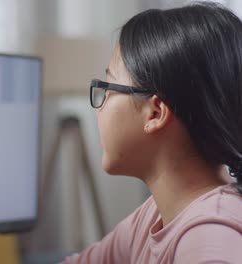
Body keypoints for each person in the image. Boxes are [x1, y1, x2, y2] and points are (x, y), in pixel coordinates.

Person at [62, 2, 242, 263]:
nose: (99, 109)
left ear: (155, 113)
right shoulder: (155, 215)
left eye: (108, 86)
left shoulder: (209, 235)